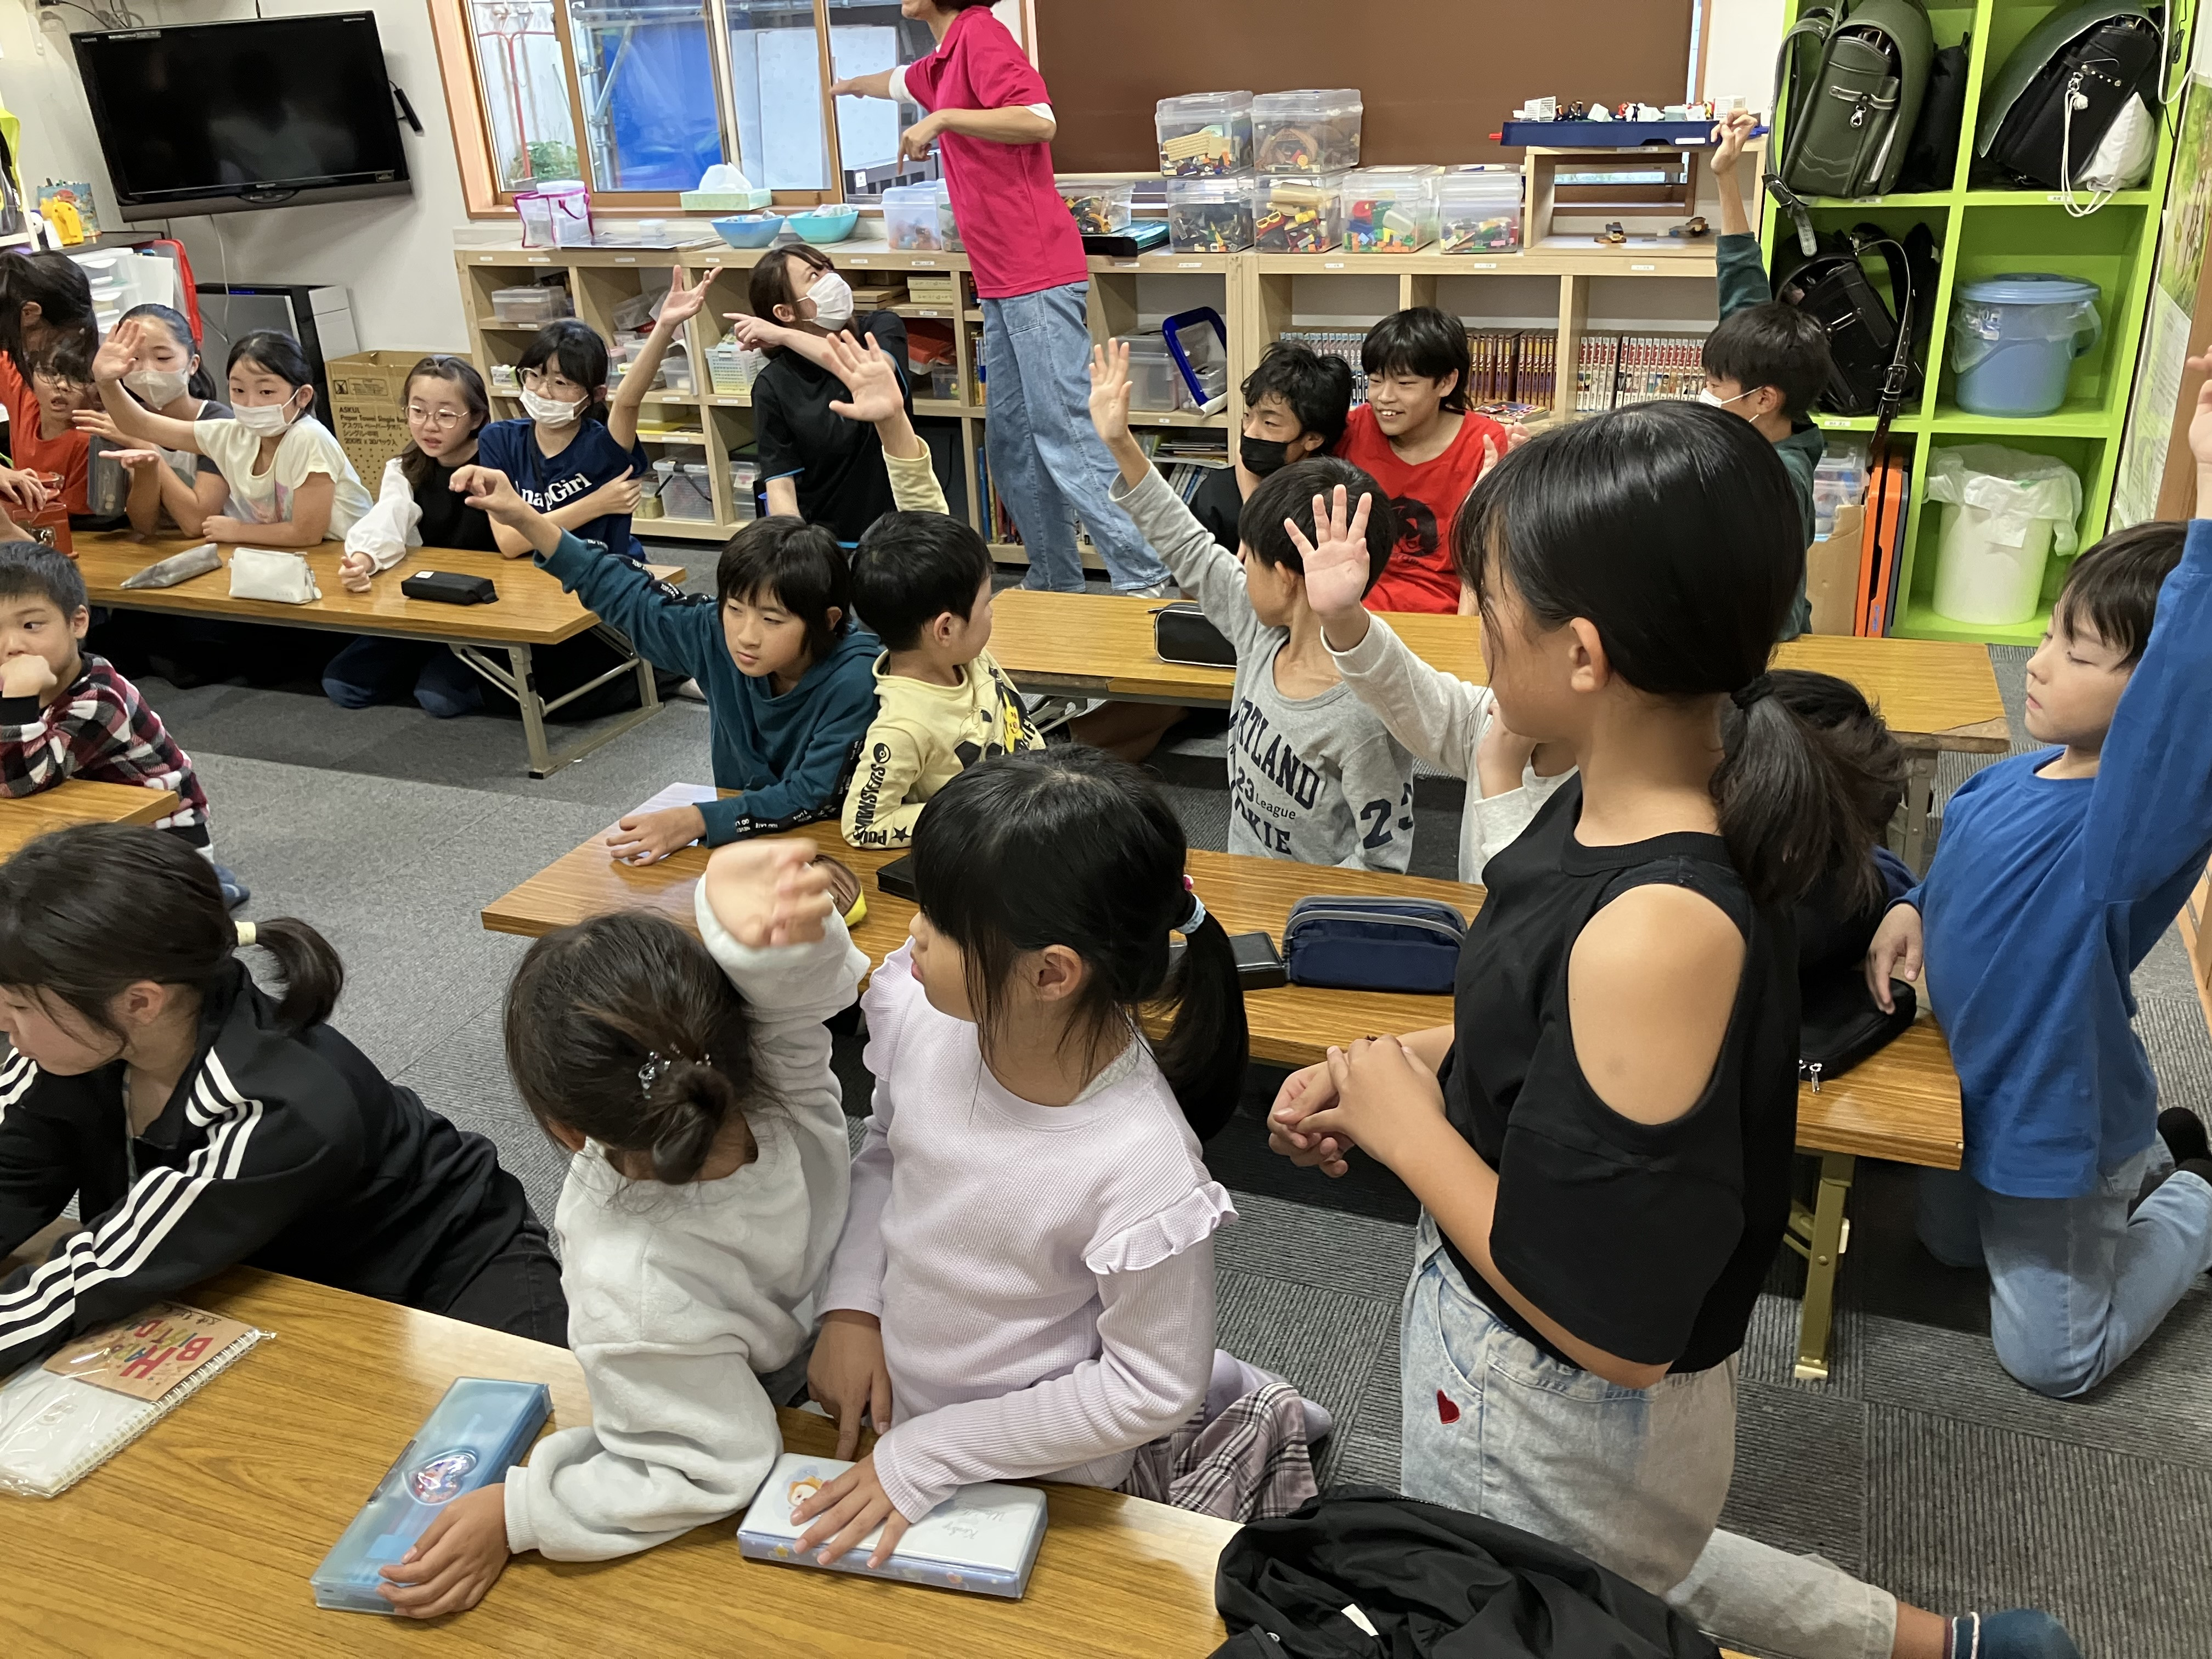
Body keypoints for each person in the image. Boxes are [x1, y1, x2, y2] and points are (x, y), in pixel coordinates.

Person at [1269, 402, 2083, 1659]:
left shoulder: (1658, 924)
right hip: (1535, 1383)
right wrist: (1402, 1069)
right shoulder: (1612, 792)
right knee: (1641, 1560)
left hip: (1540, 1396)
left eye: (1492, 607)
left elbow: (1612, 1328)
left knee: (1544, 1606)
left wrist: (1408, 1133)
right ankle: (1943, 1644)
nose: (1477, 627)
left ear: (1584, 655)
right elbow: (1548, 1029)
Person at [374, 841, 866, 1618]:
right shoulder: (781, 1074)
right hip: (847, 1316)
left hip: (764, 1386)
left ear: (566, 1128)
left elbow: (708, 1466)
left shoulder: (627, 1283)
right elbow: (798, 999)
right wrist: (761, 939)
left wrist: (521, 1513)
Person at [794, 748, 1247, 1564]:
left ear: (1050, 974)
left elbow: (1150, 1388)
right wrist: (852, 1308)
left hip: (1045, 1478)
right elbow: (890, 1151)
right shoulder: (932, 1017)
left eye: (941, 923)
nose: (912, 934)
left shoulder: (1142, 1165)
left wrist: (931, 1455)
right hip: (901, 1419)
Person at [1866, 374, 2212, 1403]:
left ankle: (2190, 1196)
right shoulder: (2011, 779)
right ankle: (2152, 1152)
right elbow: (1958, 877)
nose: (2038, 662)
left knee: (2053, 1361)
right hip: (1966, 1087)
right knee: (1945, 1249)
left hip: (2048, 1122)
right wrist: (1910, 906)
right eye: (2053, 632)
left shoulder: (2127, 831)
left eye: (2079, 652)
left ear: (2151, 696)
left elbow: (2189, 689)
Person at [0, 825, 567, 1378]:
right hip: (260, 1270)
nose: (4, 1024)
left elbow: (105, 1272)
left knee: (517, 1420)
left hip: (445, 1269)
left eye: (19, 1006)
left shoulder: (277, 1106)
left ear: (140, 1003)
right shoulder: (70, 1047)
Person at [454, 335, 925, 864]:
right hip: (745, 841)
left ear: (828, 619)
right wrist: (523, 516)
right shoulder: (714, 633)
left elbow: (811, 793)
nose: (746, 635)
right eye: (735, 609)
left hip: (844, 846)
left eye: (773, 619)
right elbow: (620, 589)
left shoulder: (858, 676)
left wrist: (698, 819)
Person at [828, 1, 1173, 596]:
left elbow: (1038, 120)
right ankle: (1055, 579)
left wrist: (942, 121)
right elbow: (899, 81)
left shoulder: (980, 34)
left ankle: (1146, 579)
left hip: (1036, 271)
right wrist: (853, 85)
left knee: (1066, 432)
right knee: (1012, 440)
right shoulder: (942, 61)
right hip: (999, 280)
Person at [1087, 340, 1416, 870]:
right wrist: (1121, 443)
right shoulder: (1260, 629)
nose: (1237, 572)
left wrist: (1297, 909)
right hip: (1245, 880)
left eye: (1250, 561)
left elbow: (1382, 864)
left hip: (1312, 909)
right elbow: (1186, 544)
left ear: (1285, 579)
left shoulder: (1365, 713)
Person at [839, 490, 1044, 850]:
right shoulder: (903, 729)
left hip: (1038, 783)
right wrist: (973, 813)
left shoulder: (963, 654)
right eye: (986, 603)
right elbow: (863, 826)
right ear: (945, 629)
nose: (991, 612)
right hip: (1010, 836)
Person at [1706, 110, 1834, 639]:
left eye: (1717, 385)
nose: (1709, 392)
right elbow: (1742, 282)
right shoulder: (1766, 417)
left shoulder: (1779, 478)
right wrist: (1725, 176)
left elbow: (1776, 602)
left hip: (1760, 646)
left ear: (1764, 398)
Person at [0, 541, 211, 855]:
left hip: (161, 844)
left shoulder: (99, 699)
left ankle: (211, 879)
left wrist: (17, 700)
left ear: (77, 623)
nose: (11, 645)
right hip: (83, 823)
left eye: (31, 625)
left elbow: (21, 783)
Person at [319, 356, 501, 718]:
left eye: (446, 415)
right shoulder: (405, 468)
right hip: (429, 597)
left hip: (487, 603)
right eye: (417, 411)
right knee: (342, 683)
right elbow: (388, 517)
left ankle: (447, 669)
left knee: (440, 698)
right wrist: (362, 562)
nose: (429, 426)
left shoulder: (496, 463)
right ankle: (424, 659)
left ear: (477, 418)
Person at [90, 321, 374, 546]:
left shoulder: (308, 438)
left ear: (302, 397)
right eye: (238, 390)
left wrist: (238, 530)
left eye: (266, 392)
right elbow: (140, 425)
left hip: (348, 558)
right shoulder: (231, 435)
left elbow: (306, 534)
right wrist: (106, 381)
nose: (250, 403)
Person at [728, 245, 913, 545]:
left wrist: (784, 335)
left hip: (901, 535)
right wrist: (799, 550)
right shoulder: (773, 384)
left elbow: (871, 370)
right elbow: (781, 483)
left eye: (828, 267)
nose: (832, 278)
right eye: (814, 275)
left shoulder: (878, 328)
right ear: (785, 312)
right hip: (830, 544)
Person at [1335, 307, 1510, 614]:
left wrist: (1461, 632)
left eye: (1405, 384)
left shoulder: (1484, 444)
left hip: (1441, 613)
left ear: (1446, 383)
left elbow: (1485, 561)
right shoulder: (1352, 429)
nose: (1384, 397)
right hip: (1355, 608)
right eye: (1375, 380)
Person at [472, 318, 648, 564]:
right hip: (534, 574)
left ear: (596, 394)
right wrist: (597, 504)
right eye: (534, 375)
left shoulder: (606, 446)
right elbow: (510, 542)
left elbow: (628, 402)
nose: (543, 391)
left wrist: (664, 326)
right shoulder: (498, 439)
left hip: (604, 572)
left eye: (560, 383)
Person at [71, 303, 232, 539]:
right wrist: (146, 468)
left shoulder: (218, 422)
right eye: (134, 358)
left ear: (193, 364)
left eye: (163, 357)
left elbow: (196, 523)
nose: (148, 370)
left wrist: (143, 445)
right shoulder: (120, 421)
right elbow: (144, 525)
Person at [1191, 340, 1357, 555]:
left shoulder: (1333, 503)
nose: (1250, 432)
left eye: (1270, 423)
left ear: (1313, 439)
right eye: (1248, 416)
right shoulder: (1217, 494)